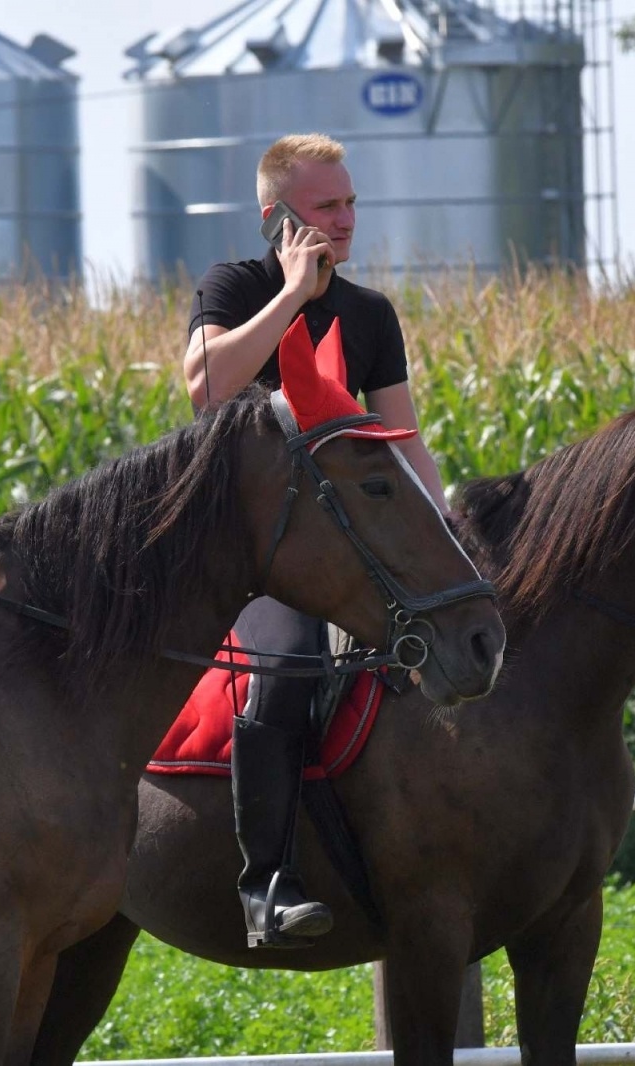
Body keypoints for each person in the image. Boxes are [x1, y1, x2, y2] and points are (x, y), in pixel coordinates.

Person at [183, 133, 451, 948]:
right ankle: (265, 884)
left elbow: (403, 441)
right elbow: (207, 387)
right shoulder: (234, 285)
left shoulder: (371, 314)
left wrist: (450, 536)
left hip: (349, 549)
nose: (345, 218)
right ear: (276, 219)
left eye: (350, 203)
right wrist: (294, 294)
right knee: (284, 668)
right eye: (325, 206)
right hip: (251, 558)